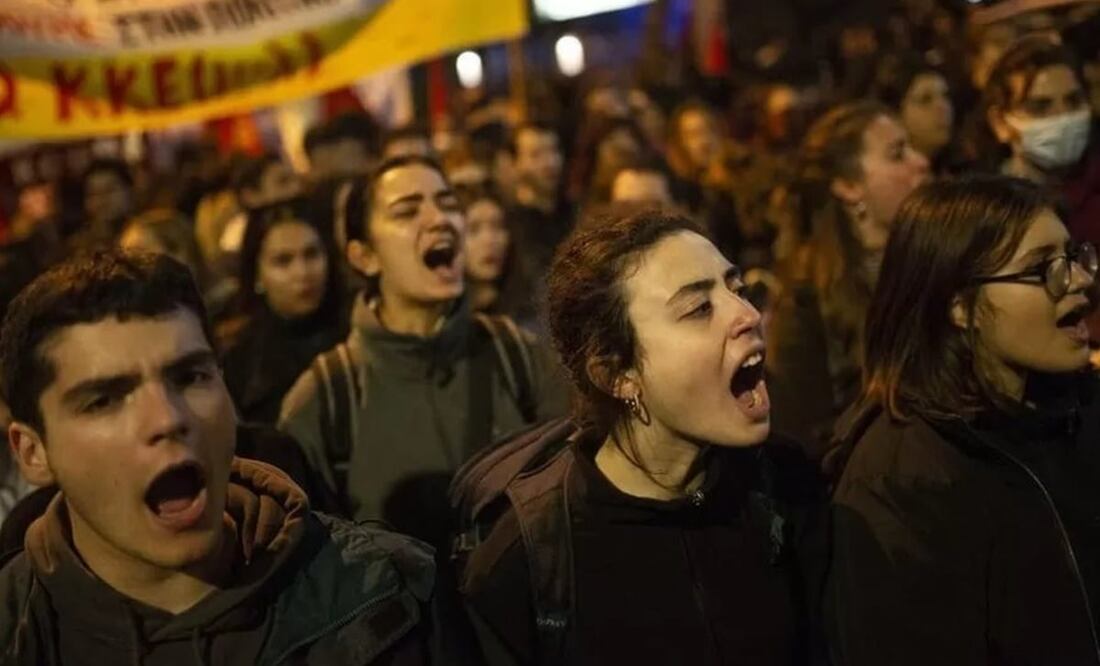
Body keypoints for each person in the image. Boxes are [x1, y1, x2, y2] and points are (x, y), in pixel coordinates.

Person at [0, 250, 436, 664]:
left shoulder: (394, 596)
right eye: (104, 401)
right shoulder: (16, 633)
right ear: (32, 452)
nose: (168, 418)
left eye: (190, 376)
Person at [458, 207, 828, 665]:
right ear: (617, 374)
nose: (747, 314)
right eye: (698, 309)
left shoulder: (787, 485)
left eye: (737, 289)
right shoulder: (529, 558)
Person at [826, 175, 1100, 665]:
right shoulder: (898, 480)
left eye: (1074, 257)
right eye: (1043, 269)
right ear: (958, 306)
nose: (1079, 280)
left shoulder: (1078, 409)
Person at [278, 155, 569, 547]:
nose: (439, 220)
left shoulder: (516, 352)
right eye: (407, 212)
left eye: (448, 205)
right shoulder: (325, 399)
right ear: (364, 256)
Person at [766, 101, 929, 453]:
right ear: (848, 186)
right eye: (897, 153)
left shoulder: (932, 264)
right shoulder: (803, 300)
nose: (921, 161)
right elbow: (804, 433)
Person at [219, 199, 346, 426]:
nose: (302, 273)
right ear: (257, 275)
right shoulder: (239, 363)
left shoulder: (360, 333)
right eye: (283, 261)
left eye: (312, 254)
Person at [505, 122, 572, 288]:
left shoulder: (576, 213)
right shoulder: (506, 224)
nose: (550, 163)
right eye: (536, 155)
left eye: (554, 151)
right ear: (514, 164)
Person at [873, 52, 956, 169]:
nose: (943, 107)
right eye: (925, 100)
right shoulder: (883, 178)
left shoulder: (963, 169)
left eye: (945, 95)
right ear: (896, 115)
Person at [70, 158, 135, 253]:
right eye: (94, 193)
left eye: (110, 190)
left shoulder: (146, 239)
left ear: (130, 191)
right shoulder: (77, 247)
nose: (102, 200)